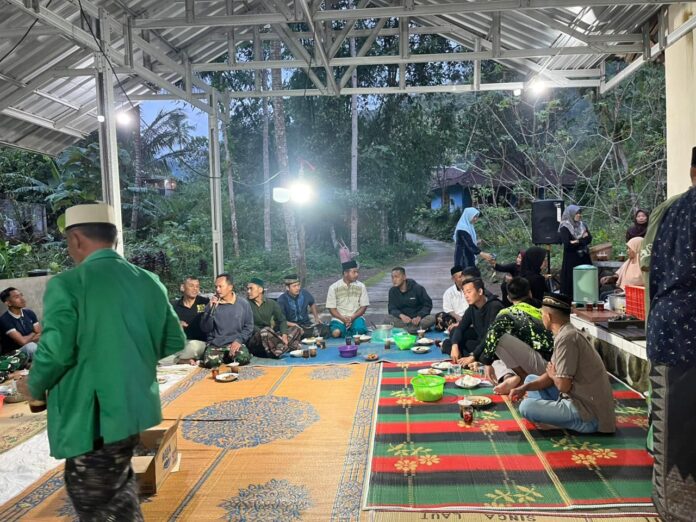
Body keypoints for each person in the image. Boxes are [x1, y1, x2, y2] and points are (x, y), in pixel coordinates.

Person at [20, 203, 185, 521]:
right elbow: (173, 341)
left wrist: (33, 385)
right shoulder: (148, 280)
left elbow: (55, 352)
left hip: (92, 417)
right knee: (118, 491)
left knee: (98, 503)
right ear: (115, 238)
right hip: (132, 410)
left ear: (76, 239)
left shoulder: (69, 284)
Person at [640, 146, 696, 521]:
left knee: (673, 429)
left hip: (668, 329)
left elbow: (651, 272)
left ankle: (674, 508)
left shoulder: (670, 209)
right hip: (683, 332)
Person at [509, 293, 616, 434]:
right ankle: (555, 415)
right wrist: (524, 388)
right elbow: (550, 376)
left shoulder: (567, 339)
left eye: (542, 314)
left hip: (588, 413)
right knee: (530, 380)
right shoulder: (566, 333)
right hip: (577, 398)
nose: (541, 317)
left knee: (526, 407)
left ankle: (560, 422)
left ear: (548, 317)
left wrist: (554, 375)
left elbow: (563, 386)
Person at [477, 277, 554, 394]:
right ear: (530, 293)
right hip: (553, 365)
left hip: (545, 368)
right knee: (497, 356)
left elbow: (492, 334)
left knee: (497, 339)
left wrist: (487, 362)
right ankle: (515, 377)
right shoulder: (544, 308)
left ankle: (521, 377)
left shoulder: (507, 313)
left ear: (508, 297)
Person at [200, 273, 255, 365]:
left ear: (230, 287)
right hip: (216, 344)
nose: (217, 290)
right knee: (211, 363)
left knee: (243, 359)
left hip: (235, 343)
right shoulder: (211, 305)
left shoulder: (243, 304)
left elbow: (249, 326)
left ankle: (227, 357)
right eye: (216, 287)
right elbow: (205, 328)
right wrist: (209, 311)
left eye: (220, 286)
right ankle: (225, 357)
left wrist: (239, 341)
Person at [446, 278, 504, 364]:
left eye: (469, 292)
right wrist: (455, 346)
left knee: (483, 356)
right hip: (480, 341)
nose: (466, 296)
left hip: (494, 346)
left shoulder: (495, 306)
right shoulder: (472, 307)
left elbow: (490, 336)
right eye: (464, 293)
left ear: (480, 291)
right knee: (454, 334)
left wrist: (473, 355)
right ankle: (465, 356)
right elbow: (460, 327)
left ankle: (470, 359)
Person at [246, 277, 301, 358]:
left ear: (260, 290)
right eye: (247, 289)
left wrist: (284, 335)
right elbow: (249, 325)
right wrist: (273, 335)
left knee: (296, 328)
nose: (248, 291)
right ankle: (282, 349)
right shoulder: (245, 304)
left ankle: (281, 346)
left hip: (271, 336)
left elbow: (282, 320)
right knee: (265, 331)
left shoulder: (271, 303)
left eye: (251, 288)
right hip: (256, 340)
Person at [169, 276, 209, 364]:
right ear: (182, 287)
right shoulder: (173, 306)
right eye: (191, 286)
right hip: (181, 343)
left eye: (197, 286)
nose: (195, 289)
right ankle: (182, 360)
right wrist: (175, 324)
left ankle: (176, 360)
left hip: (199, 343)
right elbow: (165, 326)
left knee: (193, 346)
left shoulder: (205, 303)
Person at [326, 260, 370, 338]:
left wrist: (352, 317)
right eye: (354, 272)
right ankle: (348, 332)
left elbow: (364, 307)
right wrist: (343, 318)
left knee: (359, 330)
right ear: (345, 273)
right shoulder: (333, 287)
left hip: (356, 317)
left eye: (357, 272)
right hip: (339, 318)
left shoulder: (361, 286)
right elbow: (332, 309)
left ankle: (348, 332)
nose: (357, 274)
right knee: (336, 333)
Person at [387, 267, 435, 334]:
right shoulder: (392, 291)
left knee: (432, 318)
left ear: (404, 277)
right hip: (402, 320)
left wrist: (419, 316)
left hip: (418, 320)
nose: (394, 280)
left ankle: (404, 330)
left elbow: (427, 305)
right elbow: (391, 308)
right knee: (387, 319)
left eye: (396, 277)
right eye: (392, 277)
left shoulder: (418, 288)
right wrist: (401, 315)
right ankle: (417, 330)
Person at [558, 205, 593, 296]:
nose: (579, 215)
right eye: (576, 213)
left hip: (584, 257)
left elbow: (589, 239)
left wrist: (576, 241)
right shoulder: (565, 227)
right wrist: (582, 240)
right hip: (572, 259)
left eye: (580, 213)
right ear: (571, 214)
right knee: (572, 282)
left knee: (586, 281)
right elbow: (567, 244)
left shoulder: (582, 225)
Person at [277, 274, 323, 338]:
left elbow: (312, 303)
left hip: (306, 324)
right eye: (294, 286)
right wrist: (293, 325)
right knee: (294, 333)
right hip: (291, 327)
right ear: (287, 288)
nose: (297, 288)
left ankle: (305, 335)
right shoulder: (282, 300)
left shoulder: (304, 293)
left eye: (298, 285)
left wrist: (316, 318)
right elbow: (281, 320)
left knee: (324, 329)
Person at [0, 287, 41, 358]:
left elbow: (40, 333)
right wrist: (34, 332)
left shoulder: (29, 313)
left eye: (21, 295)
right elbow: (22, 342)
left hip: (30, 348)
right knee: (31, 347)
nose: (22, 299)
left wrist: (29, 338)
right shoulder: (4, 320)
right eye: (17, 297)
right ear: (8, 303)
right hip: (13, 354)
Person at [436, 265, 468, 332]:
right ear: (453, 279)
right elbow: (448, 309)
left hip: (469, 316)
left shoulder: (470, 289)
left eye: (463, 276)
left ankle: (458, 327)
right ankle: (458, 326)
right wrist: (457, 317)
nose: (462, 279)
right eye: (460, 277)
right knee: (440, 316)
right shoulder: (448, 292)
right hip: (455, 318)